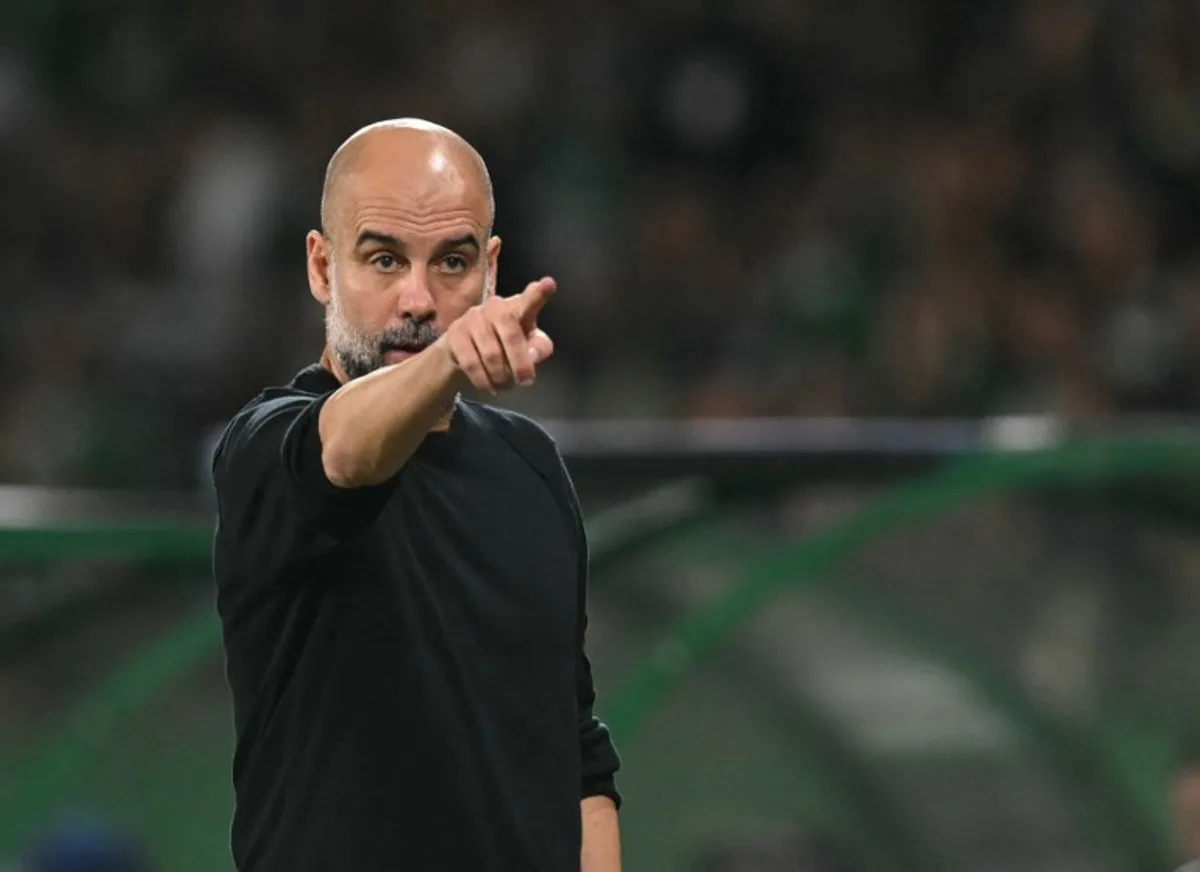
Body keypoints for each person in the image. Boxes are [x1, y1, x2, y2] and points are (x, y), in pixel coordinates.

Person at [210, 118, 621, 872]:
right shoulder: (265, 448)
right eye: (384, 259)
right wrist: (449, 365)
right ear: (321, 266)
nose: (420, 299)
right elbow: (344, 454)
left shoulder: (528, 467)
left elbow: (579, 755)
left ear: (491, 270)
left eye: (453, 262)